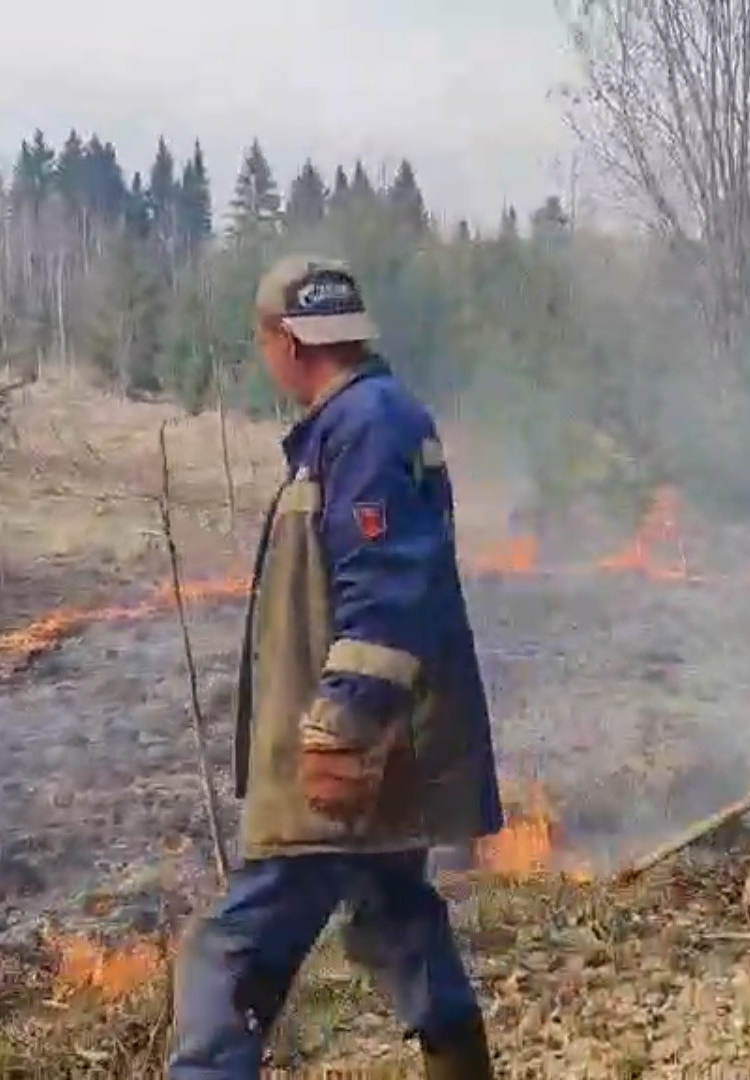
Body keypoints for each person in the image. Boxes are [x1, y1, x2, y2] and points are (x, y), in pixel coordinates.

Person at [169, 255, 503, 1080]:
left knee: (228, 961)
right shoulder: (357, 423)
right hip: (382, 752)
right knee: (396, 920)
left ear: (283, 341)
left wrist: (347, 719)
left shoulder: (366, 424)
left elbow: (390, 577)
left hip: (348, 759)